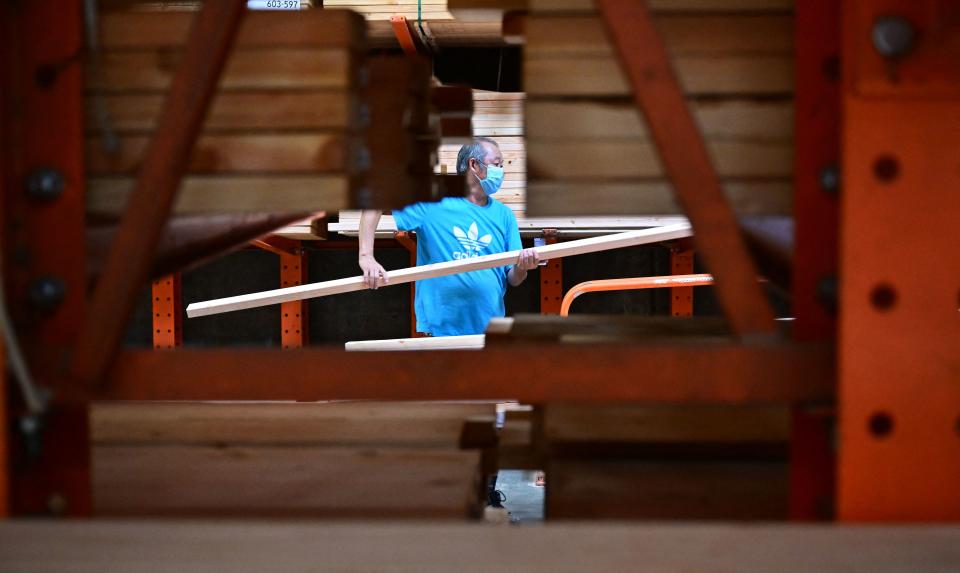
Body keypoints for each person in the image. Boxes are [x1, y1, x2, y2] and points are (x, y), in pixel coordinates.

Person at [357, 137, 539, 337]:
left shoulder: (504, 215)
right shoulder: (432, 203)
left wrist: (523, 267)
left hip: (489, 331)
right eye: (497, 164)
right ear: (473, 165)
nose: (501, 171)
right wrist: (366, 256)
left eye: (502, 165)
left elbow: (513, 278)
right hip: (441, 331)